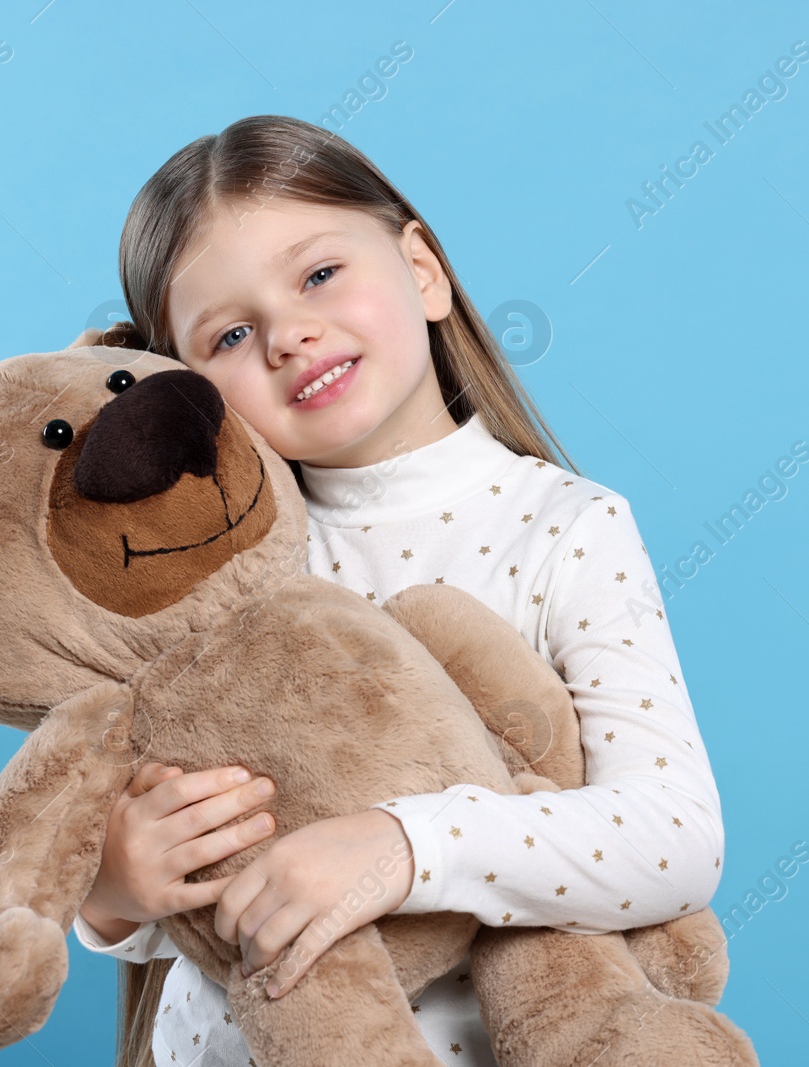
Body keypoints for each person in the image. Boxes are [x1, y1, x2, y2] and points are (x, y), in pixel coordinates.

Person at [69, 114, 726, 1067]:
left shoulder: (564, 527)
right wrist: (115, 891)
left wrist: (405, 845)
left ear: (422, 270)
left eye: (319, 274)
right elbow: (199, 905)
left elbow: (674, 837)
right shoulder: (204, 581)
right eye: (232, 333)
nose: (290, 334)